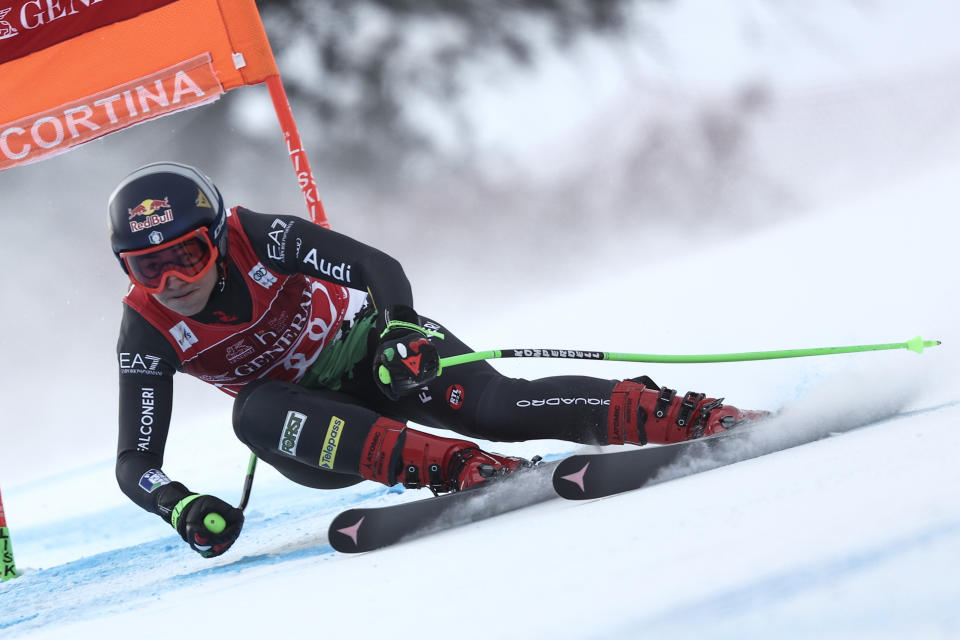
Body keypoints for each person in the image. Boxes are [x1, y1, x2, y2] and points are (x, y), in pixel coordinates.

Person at [111, 162, 765, 558]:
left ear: (219, 238)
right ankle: (459, 468)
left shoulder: (259, 235)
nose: (172, 282)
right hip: (320, 435)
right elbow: (135, 462)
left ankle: (689, 417)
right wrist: (180, 505)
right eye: (149, 267)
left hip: (379, 356)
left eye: (187, 257)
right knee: (254, 412)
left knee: (499, 406)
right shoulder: (148, 330)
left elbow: (376, 266)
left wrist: (398, 330)